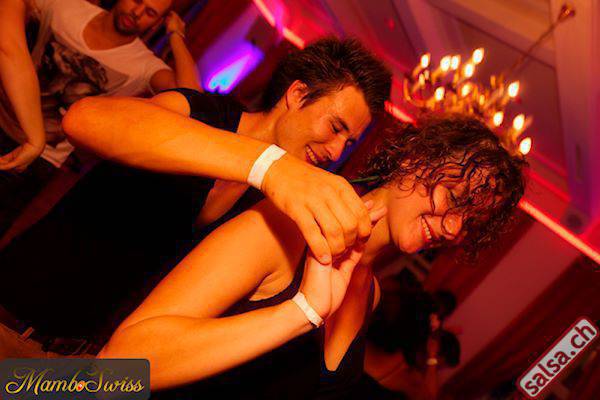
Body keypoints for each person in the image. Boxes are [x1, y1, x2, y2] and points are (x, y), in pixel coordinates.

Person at [0, 37, 392, 356]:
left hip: (87, 366)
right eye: (336, 127)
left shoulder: (272, 205)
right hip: (13, 321)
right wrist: (266, 164)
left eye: (349, 142)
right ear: (297, 94)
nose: (337, 151)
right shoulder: (202, 113)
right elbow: (83, 119)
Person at [98, 115, 527, 399]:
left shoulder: (370, 292)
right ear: (417, 160)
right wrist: (302, 312)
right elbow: (118, 365)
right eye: (454, 198)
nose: (453, 228)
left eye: (470, 222)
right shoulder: (288, 227)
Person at [0, 0, 199, 235]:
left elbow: (192, 98)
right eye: (137, 0)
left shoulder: (143, 65)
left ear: (157, 23)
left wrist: (176, 35)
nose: (137, 13)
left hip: (43, 158)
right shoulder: (67, 9)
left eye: (150, 12)